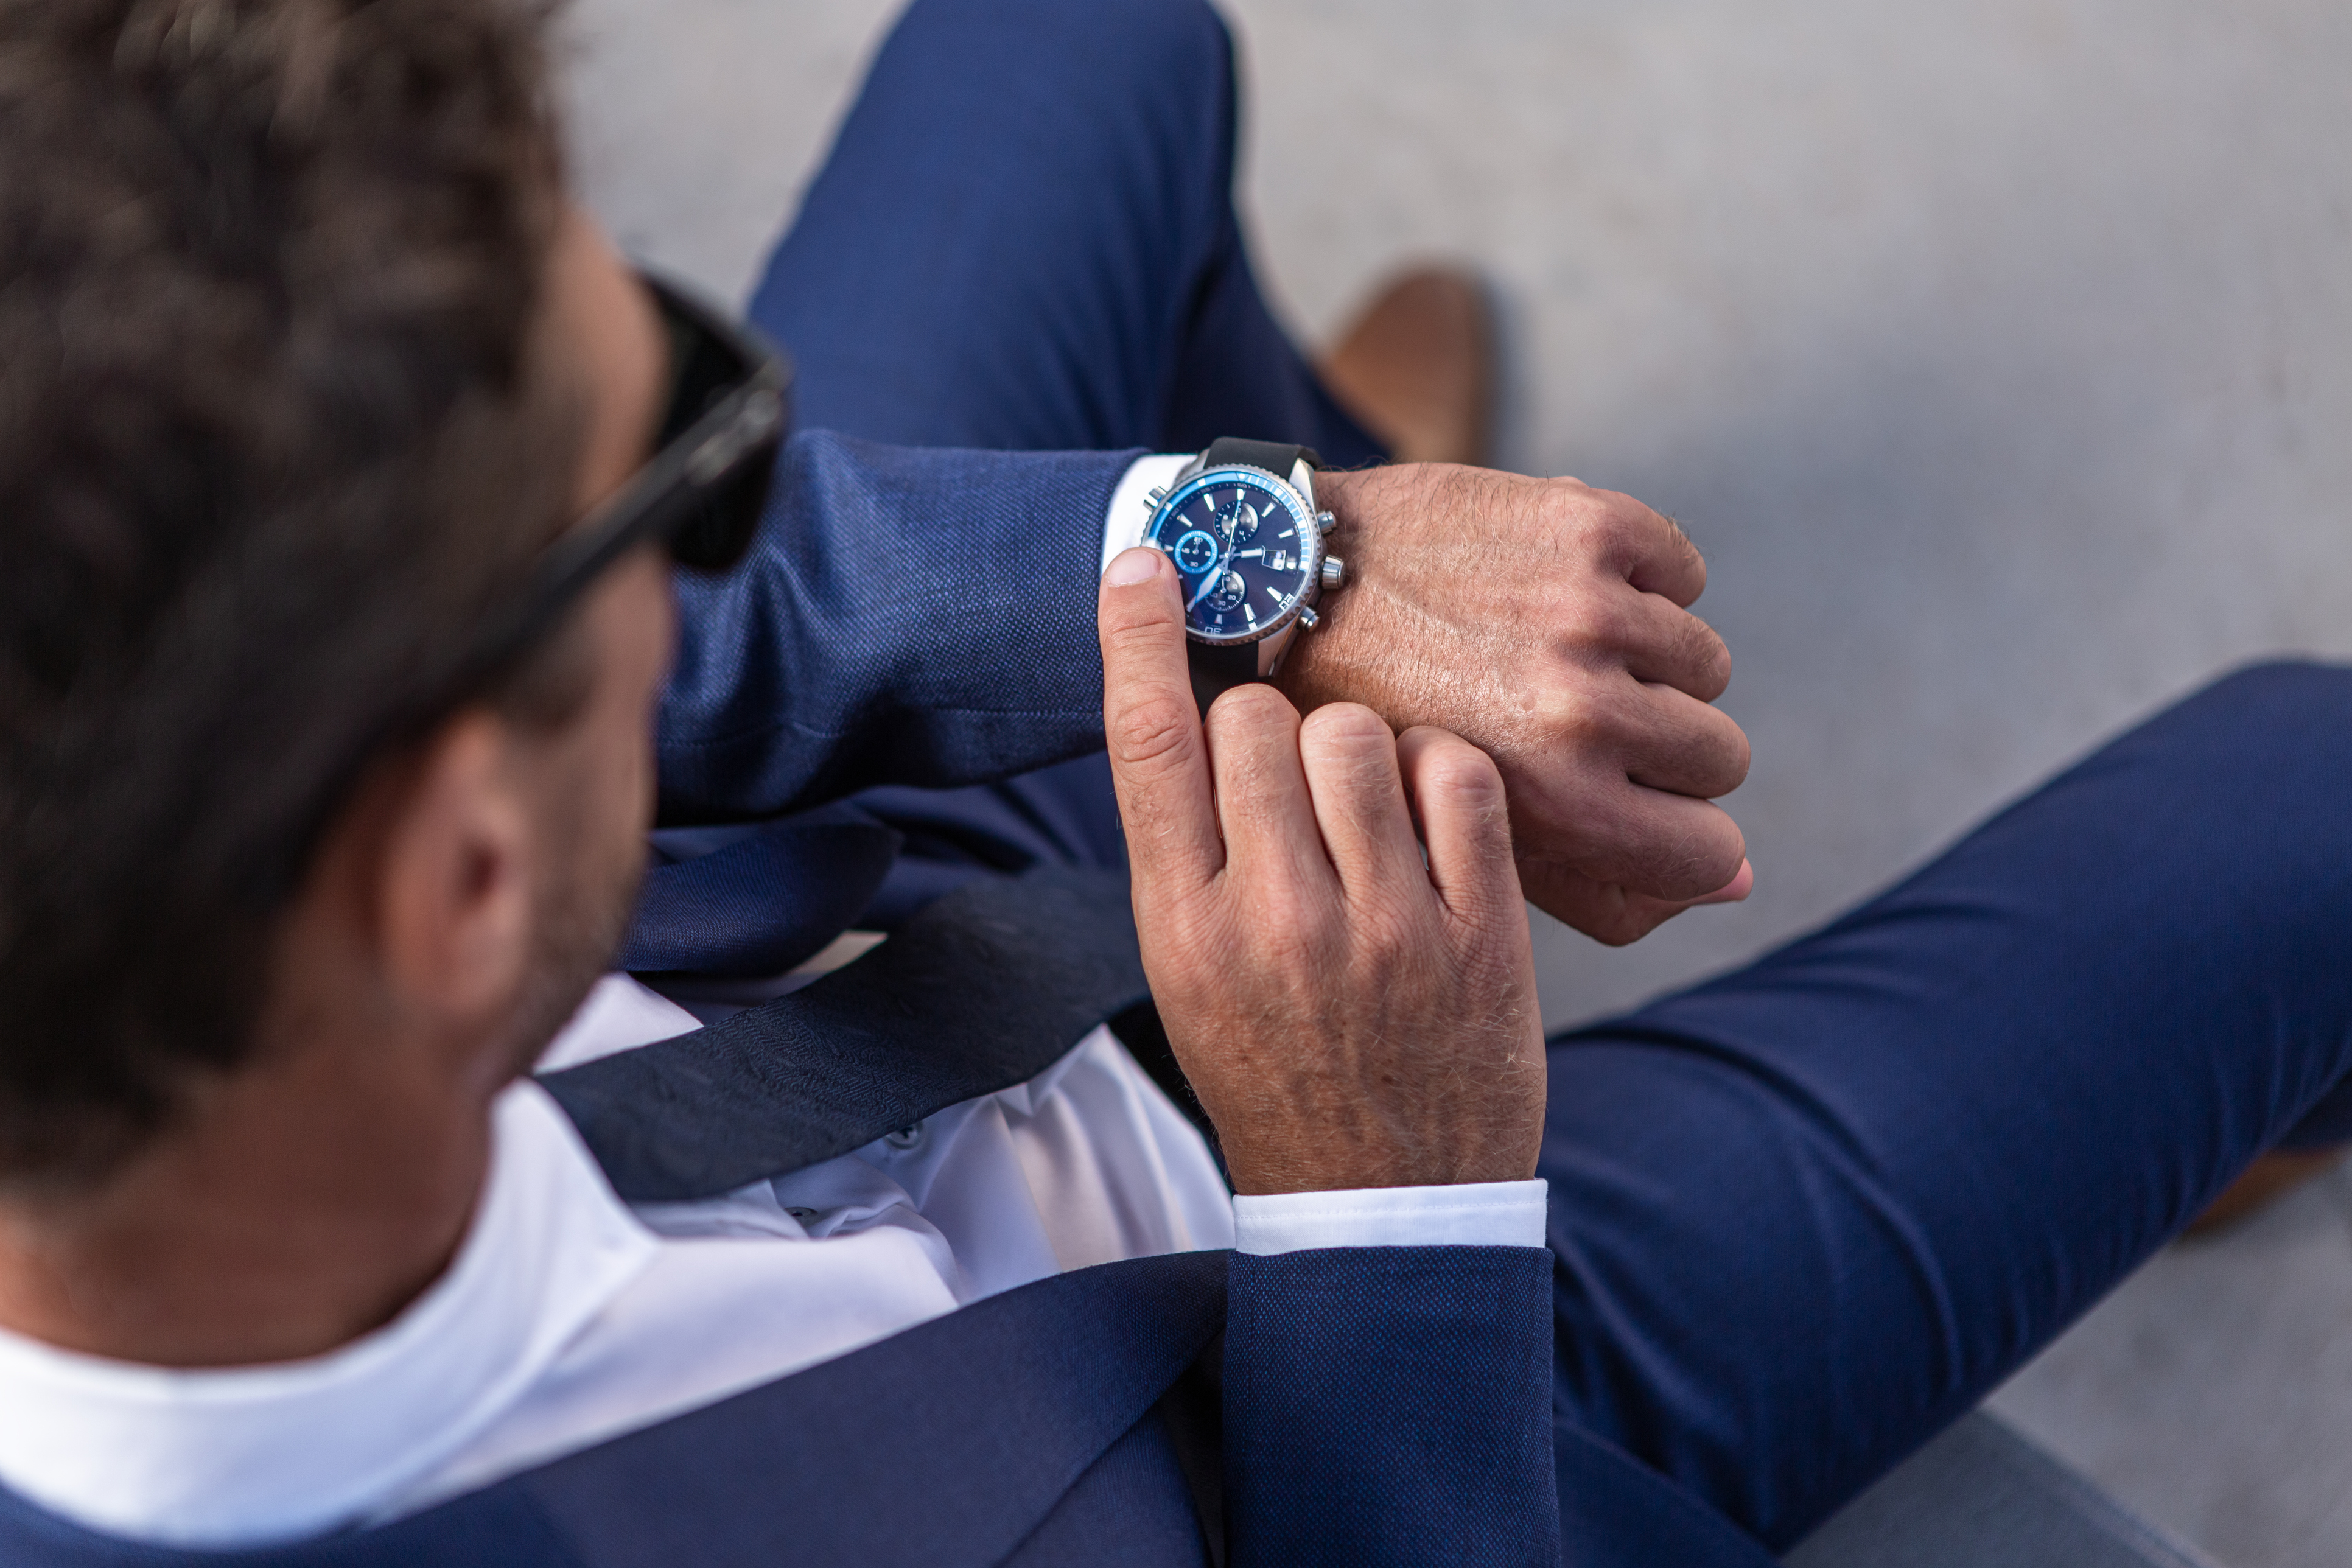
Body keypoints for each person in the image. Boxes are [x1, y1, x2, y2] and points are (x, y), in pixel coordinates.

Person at [0, 2, 2346, 1567]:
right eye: (681, 460)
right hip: (1339, 1369)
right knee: (2313, 807)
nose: (746, 479)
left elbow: (706, 636)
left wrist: (1278, 549)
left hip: (812, 902)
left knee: (1076, 42)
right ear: (459, 873)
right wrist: (1382, 1212)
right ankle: (2244, 1110)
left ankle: (1353, 455)